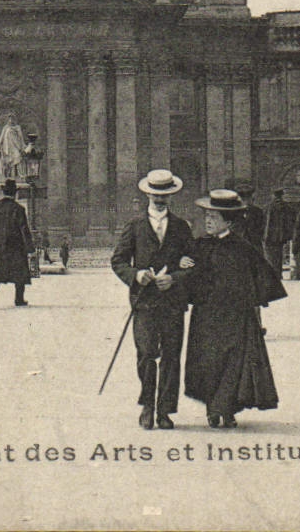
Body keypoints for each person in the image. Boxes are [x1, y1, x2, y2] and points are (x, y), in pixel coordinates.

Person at [185, 190, 287, 427]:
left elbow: (262, 279)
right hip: (206, 315)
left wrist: (251, 304)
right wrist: (183, 263)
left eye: (214, 217)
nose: (208, 221)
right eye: (207, 216)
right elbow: (188, 275)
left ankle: (228, 408)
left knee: (233, 362)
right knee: (209, 360)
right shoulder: (199, 245)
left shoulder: (243, 248)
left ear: (228, 221)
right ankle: (213, 408)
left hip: (235, 316)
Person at [110, 168, 196, 430]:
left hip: (173, 303)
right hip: (144, 302)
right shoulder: (134, 227)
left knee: (171, 355)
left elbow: (194, 265)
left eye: (165, 195)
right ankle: (147, 405)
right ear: (147, 194)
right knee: (146, 354)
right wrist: (136, 275)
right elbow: (118, 261)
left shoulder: (182, 227)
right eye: (155, 194)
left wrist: (176, 278)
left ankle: (164, 411)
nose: (160, 199)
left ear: (171, 196)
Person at [0, 179, 34, 309]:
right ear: (15, 193)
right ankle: (19, 298)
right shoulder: (19, 209)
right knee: (19, 273)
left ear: (3, 192)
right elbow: (24, 229)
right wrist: (30, 248)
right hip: (16, 247)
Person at [262, 187, 298, 276]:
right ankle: (278, 273)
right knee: (279, 255)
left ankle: (272, 274)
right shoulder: (287, 207)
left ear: (273, 195)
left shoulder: (267, 207)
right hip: (281, 237)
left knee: (269, 257)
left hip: (268, 236)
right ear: (282, 195)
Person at [230, 184, 266, 250]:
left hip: (254, 245)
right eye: (243, 199)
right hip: (237, 245)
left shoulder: (258, 211)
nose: (246, 202)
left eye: (248, 199)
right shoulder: (233, 212)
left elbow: (261, 228)